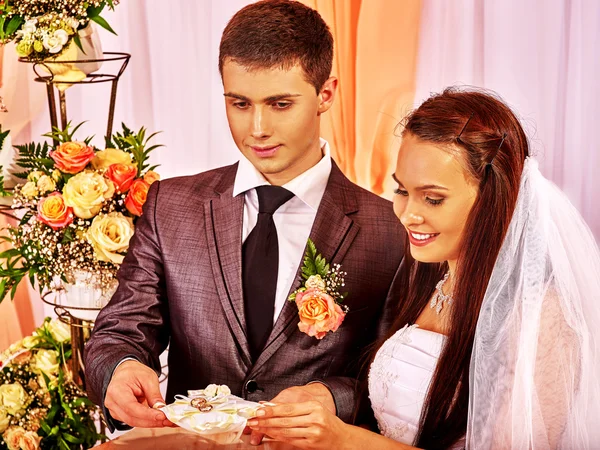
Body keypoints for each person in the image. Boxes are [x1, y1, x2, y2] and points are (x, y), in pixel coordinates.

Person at [83, 0, 405, 443]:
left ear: (325, 94)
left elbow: (396, 379)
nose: (257, 128)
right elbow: (118, 333)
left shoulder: (391, 230)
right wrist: (120, 369)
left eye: (280, 104)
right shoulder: (170, 205)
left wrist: (333, 398)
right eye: (239, 103)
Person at [248, 87, 600, 449]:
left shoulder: (543, 316)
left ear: (495, 199)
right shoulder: (428, 274)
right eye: (402, 191)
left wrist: (344, 440)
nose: (408, 214)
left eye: (433, 198)